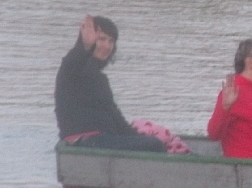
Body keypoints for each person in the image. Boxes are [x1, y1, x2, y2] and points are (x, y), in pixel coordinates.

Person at [54, 15, 167, 152]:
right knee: (154, 145)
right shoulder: (73, 70)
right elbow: (73, 61)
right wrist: (84, 46)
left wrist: (138, 137)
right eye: (101, 39)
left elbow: (115, 117)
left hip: (104, 139)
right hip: (85, 142)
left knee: (156, 141)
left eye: (111, 41)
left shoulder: (99, 78)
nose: (107, 46)